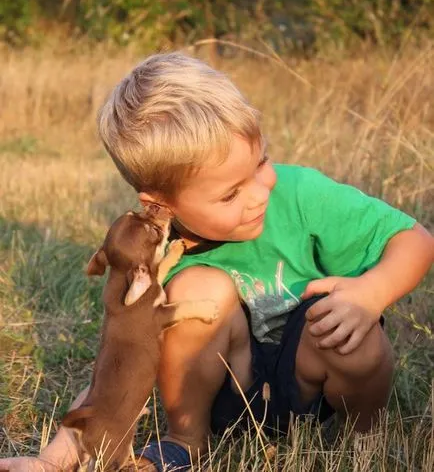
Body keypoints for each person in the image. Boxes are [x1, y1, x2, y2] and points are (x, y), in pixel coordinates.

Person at [1, 53, 432, 472]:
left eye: (261, 163)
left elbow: (415, 240)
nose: (259, 194)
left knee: (348, 327)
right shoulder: (149, 254)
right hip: (227, 390)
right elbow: (118, 369)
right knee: (196, 291)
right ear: (163, 204)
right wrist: (52, 460)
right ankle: (186, 440)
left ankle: (365, 438)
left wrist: (370, 295)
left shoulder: (302, 194)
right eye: (230, 194)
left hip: (311, 379)